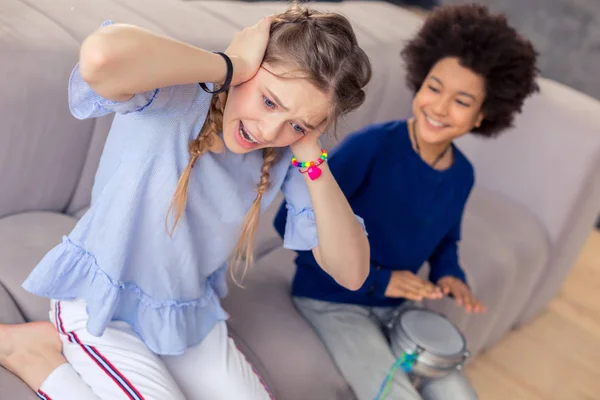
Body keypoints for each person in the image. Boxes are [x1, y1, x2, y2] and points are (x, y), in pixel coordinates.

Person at [0, 4, 373, 400]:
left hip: (185, 317)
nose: (268, 131)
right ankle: (32, 355)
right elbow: (100, 57)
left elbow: (351, 273)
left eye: (296, 123)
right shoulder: (177, 97)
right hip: (101, 307)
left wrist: (308, 147)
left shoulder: (285, 152)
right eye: (269, 101)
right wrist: (232, 64)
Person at [274, 4, 539, 400]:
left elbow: (447, 239)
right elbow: (289, 223)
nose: (439, 107)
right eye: (434, 88)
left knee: (458, 392)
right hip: (331, 299)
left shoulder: (462, 174)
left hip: (394, 305)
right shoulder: (373, 146)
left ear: (483, 115)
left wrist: (450, 272)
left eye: (462, 101)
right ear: (419, 81)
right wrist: (383, 278)